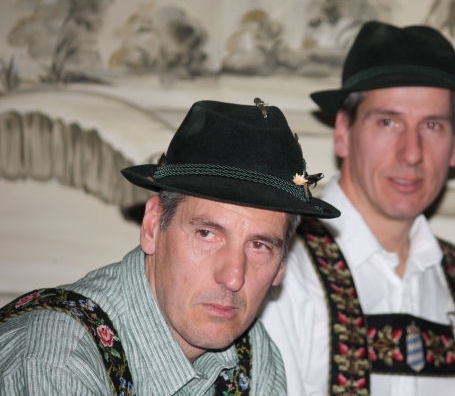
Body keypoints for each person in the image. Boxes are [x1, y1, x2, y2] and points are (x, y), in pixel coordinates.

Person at [0, 99, 340, 395]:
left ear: (282, 265)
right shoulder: (56, 362)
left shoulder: (253, 355)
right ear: (152, 226)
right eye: (207, 234)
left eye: (260, 246)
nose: (233, 277)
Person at [260, 21, 455, 395]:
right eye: (388, 122)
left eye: (432, 125)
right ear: (343, 132)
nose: (411, 153)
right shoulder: (283, 270)